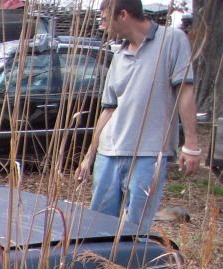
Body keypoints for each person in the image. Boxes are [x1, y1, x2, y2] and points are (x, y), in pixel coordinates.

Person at [75, 0, 200, 232]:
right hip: (109, 153)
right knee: (98, 228)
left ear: (122, 15)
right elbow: (108, 109)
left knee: (135, 229)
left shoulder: (172, 40)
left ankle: (132, 268)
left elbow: (185, 91)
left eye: (104, 19)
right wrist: (89, 157)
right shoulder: (119, 56)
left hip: (148, 153)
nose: (102, 27)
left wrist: (191, 144)